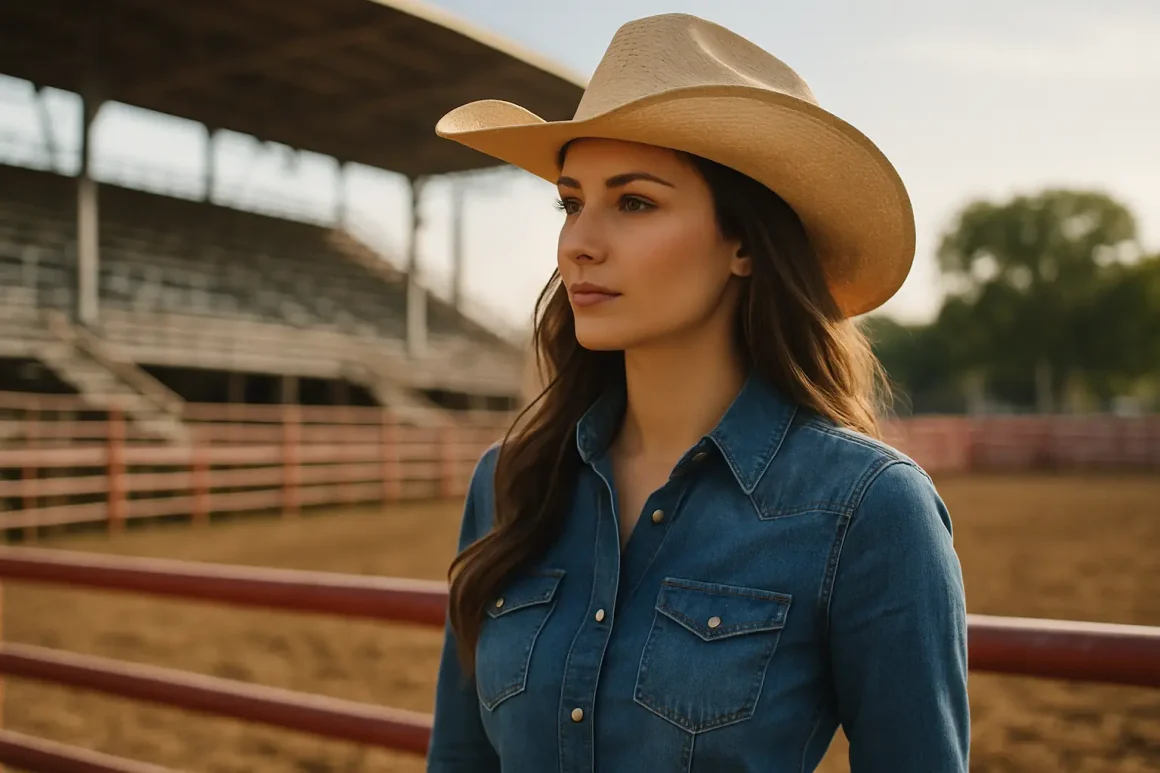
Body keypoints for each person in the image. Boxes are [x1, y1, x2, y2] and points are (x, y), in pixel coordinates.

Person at [426, 12, 969, 773]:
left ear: (744, 242)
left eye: (635, 202)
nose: (579, 240)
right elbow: (458, 761)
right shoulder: (509, 481)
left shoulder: (870, 510)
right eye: (571, 200)